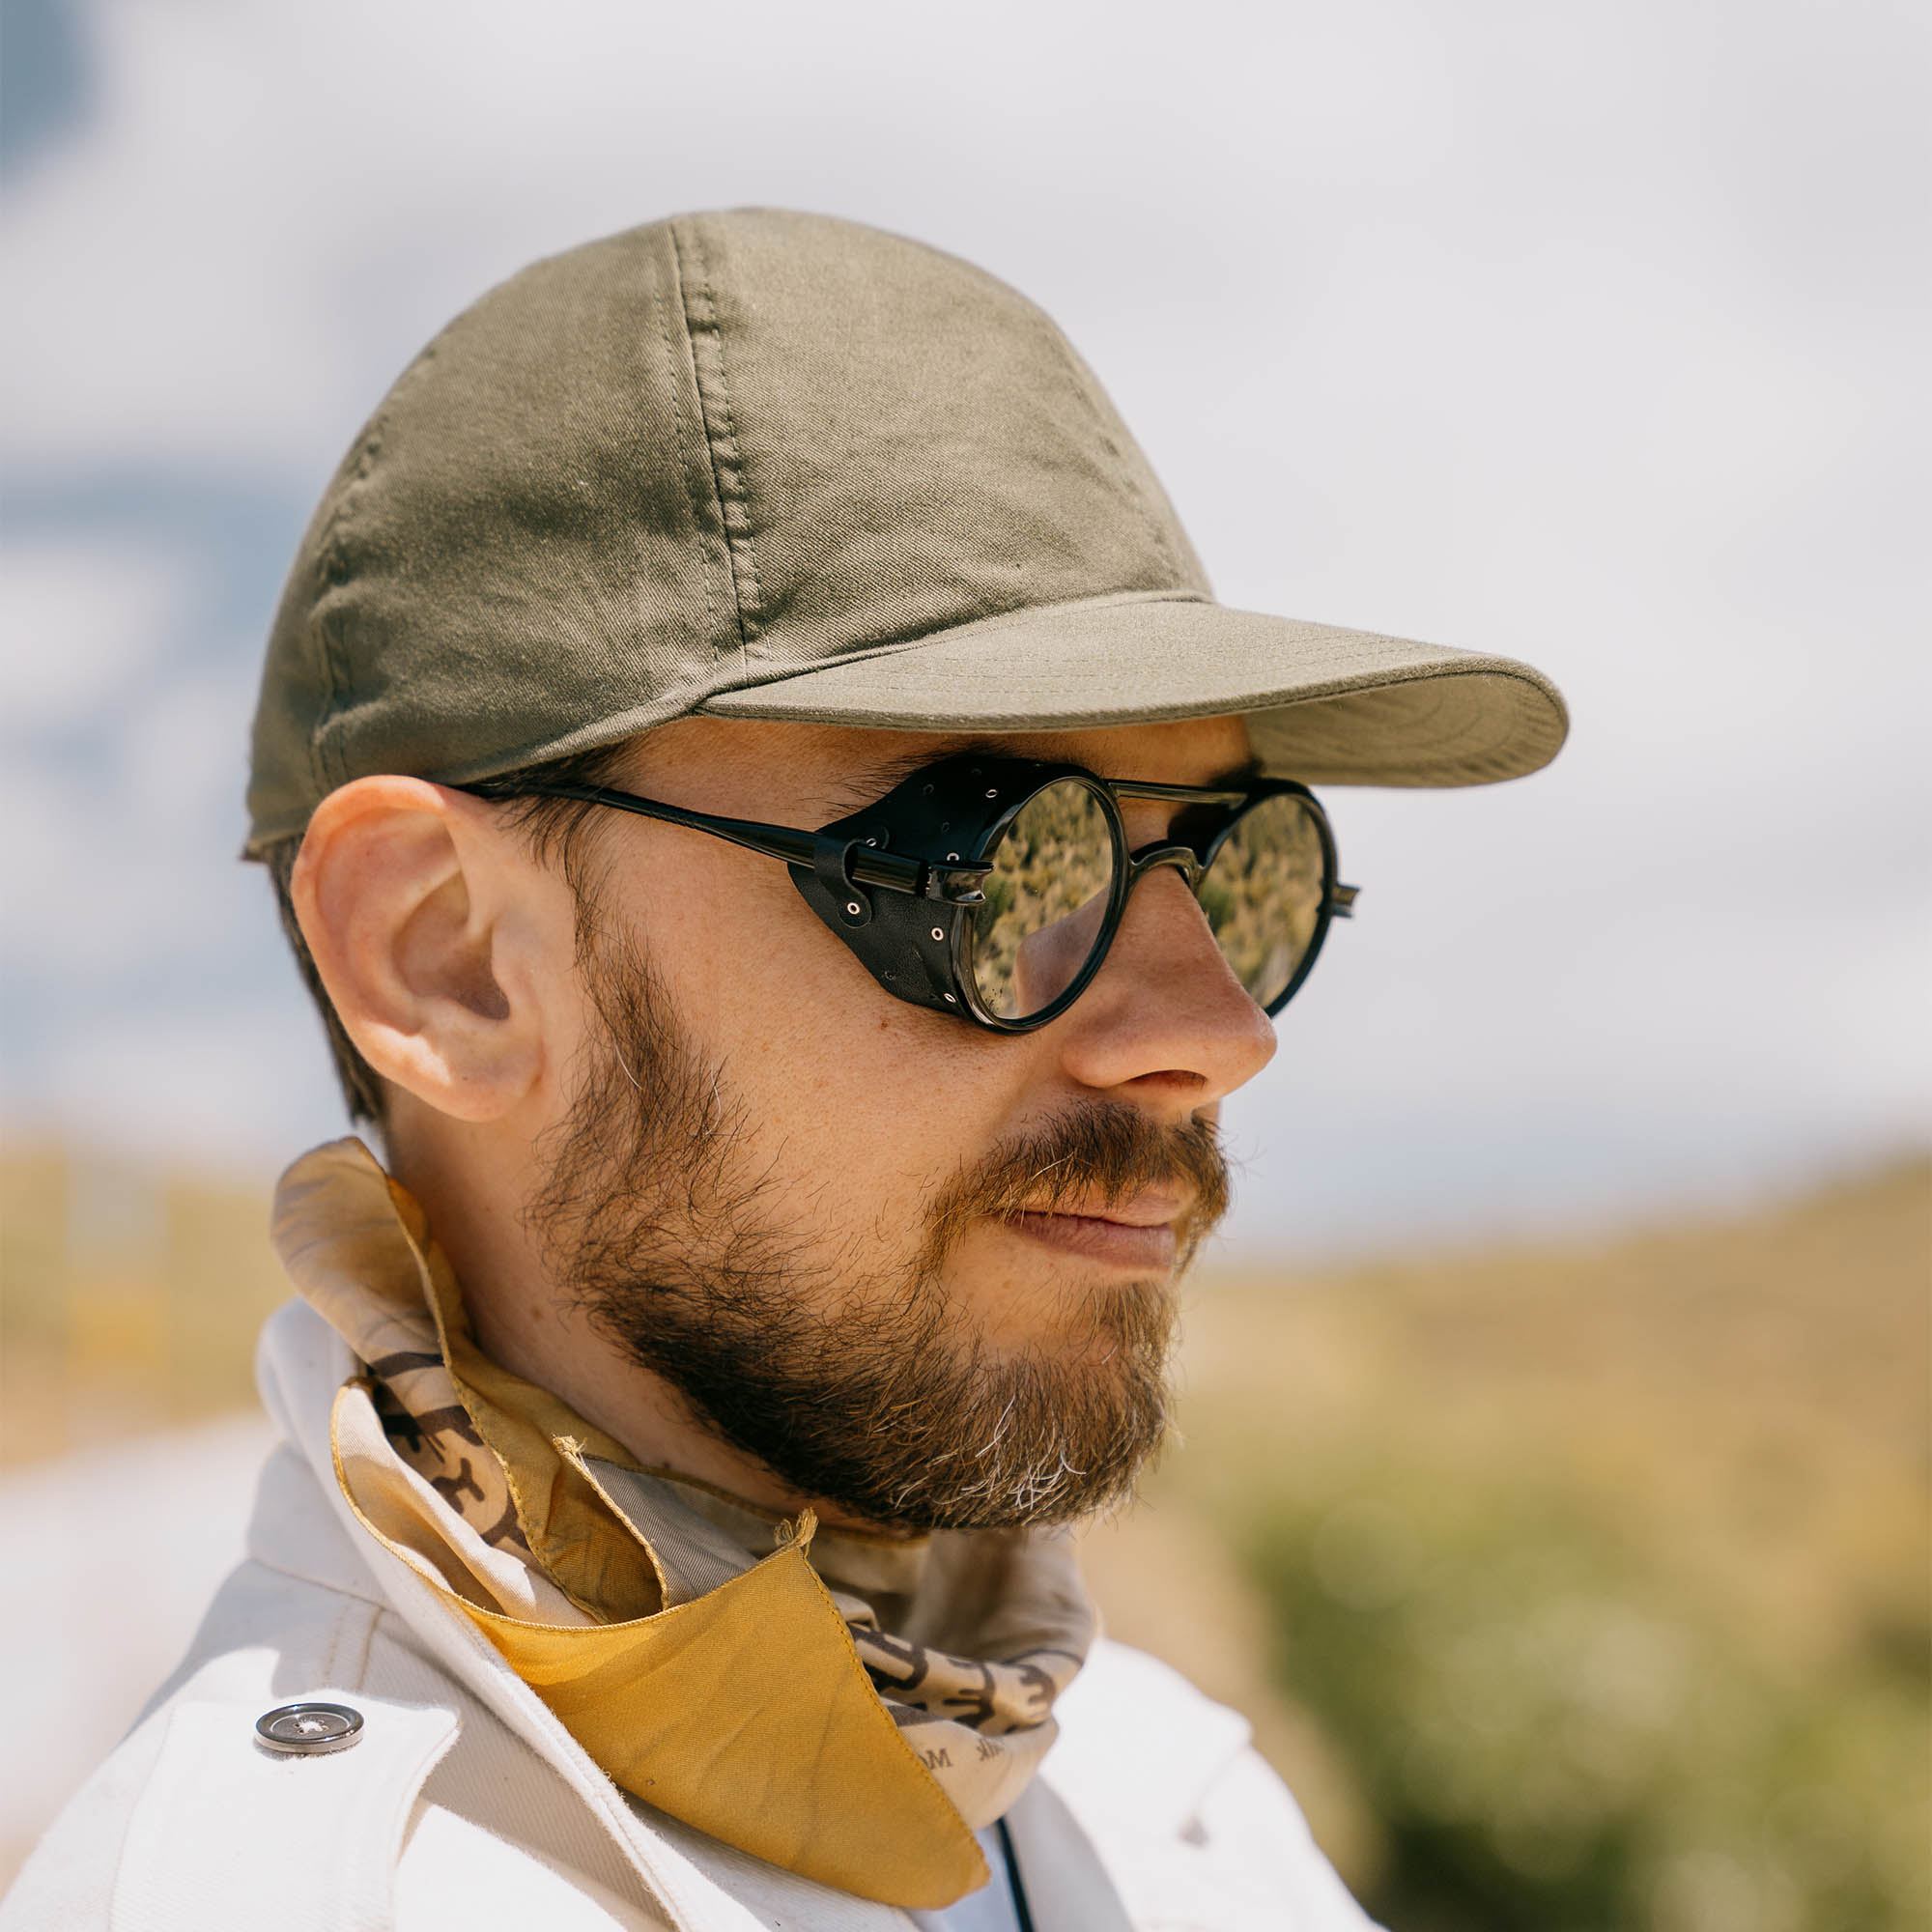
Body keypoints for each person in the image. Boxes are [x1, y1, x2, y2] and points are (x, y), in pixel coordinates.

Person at [3, 210, 1565, 1931]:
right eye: (990, 862)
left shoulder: (1175, 1811)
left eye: (1238, 860)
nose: (1220, 1035)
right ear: (447, 956)